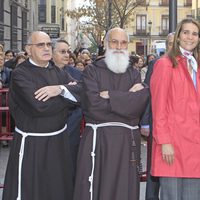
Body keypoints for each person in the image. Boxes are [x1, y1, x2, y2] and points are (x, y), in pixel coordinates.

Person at [2, 31, 81, 200]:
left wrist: (59, 89)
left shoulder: (57, 72)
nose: (46, 48)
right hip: (33, 145)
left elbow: (81, 92)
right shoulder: (20, 74)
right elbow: (39, 106)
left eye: (48, 45)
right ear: (28, 49)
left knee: (57, 189)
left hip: (58, 142)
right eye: (40, 45)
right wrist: (67, 95)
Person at [73, 27, 149, 200]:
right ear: (106, 44)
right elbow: (93, 106)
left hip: (126, 143)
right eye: (114, 41)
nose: (119, 46)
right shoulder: (92, 71)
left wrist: (111, 95)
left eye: (123, 43)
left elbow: (137, 106)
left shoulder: (134, 73)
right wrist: (127, 98)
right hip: (99, 141)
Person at [150, 18, 200, 200]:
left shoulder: (197, 66)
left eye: (195, 33)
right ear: (178, 36)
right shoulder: (164, 65)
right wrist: (164, 142)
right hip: (172, 146)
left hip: (195, 147)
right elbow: (159, 107)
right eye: (186, 32)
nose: (190, 37)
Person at [140, 32, 175, 200]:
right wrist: (145, 122)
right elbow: (148, 95)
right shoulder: (156, 64)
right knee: (155, 168)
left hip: (178, 128)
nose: (172, 47)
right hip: (156, 125)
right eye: (169, 44)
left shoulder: (189, 64)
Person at [52, 39, 83, 184]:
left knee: (70, 170)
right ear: (52, 53)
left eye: (68, 51)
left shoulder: (77, 74)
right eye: (62, 52)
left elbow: (81, 96)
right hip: (49, 129)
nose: (67, 55)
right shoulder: (44, 72)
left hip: (72, 126)